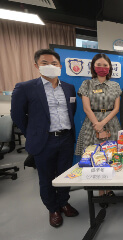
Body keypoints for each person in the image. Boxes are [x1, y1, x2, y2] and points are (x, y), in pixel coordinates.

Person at [11, 49, 78, 228]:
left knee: (65, 175)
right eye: (45, 63)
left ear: (60, 66)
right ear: (36, 66)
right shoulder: (25, 87)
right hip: (44, 141)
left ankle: (64, 202)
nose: (50, 66)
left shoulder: (69, 87)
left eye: (54, 63)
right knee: (46, 177)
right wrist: (32, 133)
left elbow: (72, 110)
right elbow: (17, 115)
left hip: (65, 138)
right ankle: (53, 209)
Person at [75, 53, 122, 207]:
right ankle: (100, 192)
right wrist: (97, 124)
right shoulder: (86, 84)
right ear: (94, 67)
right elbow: (86, 108)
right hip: (92, 124)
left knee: (110, 156)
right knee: (95, 156)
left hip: (111, 123)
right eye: (99, 65)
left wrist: (104, 123)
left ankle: (109, 189)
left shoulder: (115, 85)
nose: (102, 68)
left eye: (105, 65)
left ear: (110, 68)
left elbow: (116, 108)